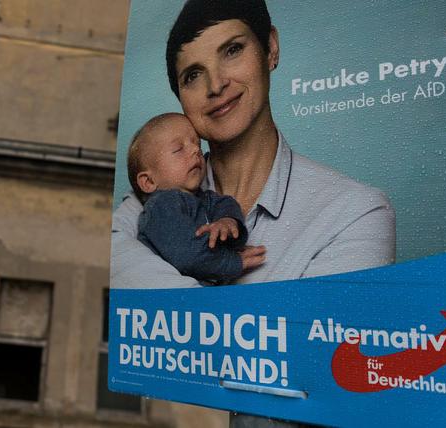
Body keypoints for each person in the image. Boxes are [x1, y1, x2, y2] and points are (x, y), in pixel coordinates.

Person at [109, 0, 396, 425]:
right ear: (180, 98)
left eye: (232, 50)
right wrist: (258, 334)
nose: (216, 85)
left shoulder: (357, 213)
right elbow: (116, 259)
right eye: (193, 75)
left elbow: (315, 380)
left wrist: (183, 325)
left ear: (271, 49)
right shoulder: (152, 200)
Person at [128, 112, 266, 283]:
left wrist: (228, 221)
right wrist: (232, 262)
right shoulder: (161, 206)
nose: (196, 150)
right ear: (148, 181)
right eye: (179, 149)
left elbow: (226, 203)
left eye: (198, 145)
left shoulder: (203, 197)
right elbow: (188, 255)